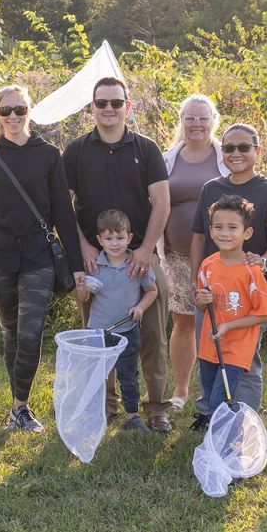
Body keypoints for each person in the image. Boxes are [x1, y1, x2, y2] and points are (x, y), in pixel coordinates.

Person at [0, 85, 85, 434]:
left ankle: (20, 406)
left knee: (31, 334)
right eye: (6, 111)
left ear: (30, 111)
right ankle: (18, 405)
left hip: (37, 256)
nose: (13, 116)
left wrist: (77, 266)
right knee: (11, 335)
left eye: (19, 109)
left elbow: (65, 214)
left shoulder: (49, 154)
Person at [63, 76, 173, 434]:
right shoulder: (76, 151)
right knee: (97, 338)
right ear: (91, 107)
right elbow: (63, 208)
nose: (108, 109)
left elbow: (162, 203)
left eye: (116, 103)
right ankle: (105, 405)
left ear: (129, 106)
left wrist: (143, 250)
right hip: (94, 260)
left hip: (138, 256)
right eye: (101, 103)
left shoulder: (147, 149)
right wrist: (82, 248)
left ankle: (156, 407)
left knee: (153, 336)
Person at [188, 123, 267, 431]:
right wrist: (196, 280)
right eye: (229, 148)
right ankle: (209, 412)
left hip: (247, 291)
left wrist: (262, 264)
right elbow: (197, 237)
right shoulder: (211, 188)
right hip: (211, 287)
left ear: (257, 151)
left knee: (244, 359)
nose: (236, 154)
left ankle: (244, 417)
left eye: (243, 147)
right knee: (209, 351)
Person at [161, 94, 228, 410]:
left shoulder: (227, 159)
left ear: (213, 121)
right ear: (182, 121)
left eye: (203, 118)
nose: (197, 124)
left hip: (220, 259)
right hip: (177, 257)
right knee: (184, 323)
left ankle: (222, 388)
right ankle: (182, 389)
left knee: (222, 322)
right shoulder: (166, 160)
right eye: (190, 118)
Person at [193, 196, 267, 416]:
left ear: (246, 233)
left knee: (221, 400)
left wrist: (229, 326)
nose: (224, 233)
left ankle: (228, 443)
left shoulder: (251, 270)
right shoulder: (207, 264)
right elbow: (202, 306)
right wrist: (201, 301)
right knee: (210, 399)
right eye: (218, 227)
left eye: (232, 227)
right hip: (209, 346)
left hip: (236, 349)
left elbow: (264, 314)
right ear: (210, 230)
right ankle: (218, 438)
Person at [86, 210, 159, 432]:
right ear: (99, 240)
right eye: (108, 238)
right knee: (96, 375)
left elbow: (152, 291)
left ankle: (133, 416)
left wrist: (140, 307)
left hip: (127, 330)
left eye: (119, 238)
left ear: (129, 238)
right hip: (98, 332)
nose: (114, 243)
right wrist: (83, 287)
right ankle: (94, 414)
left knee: (128, 375)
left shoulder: (136, 265)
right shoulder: (94, 266)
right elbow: (82, 298)